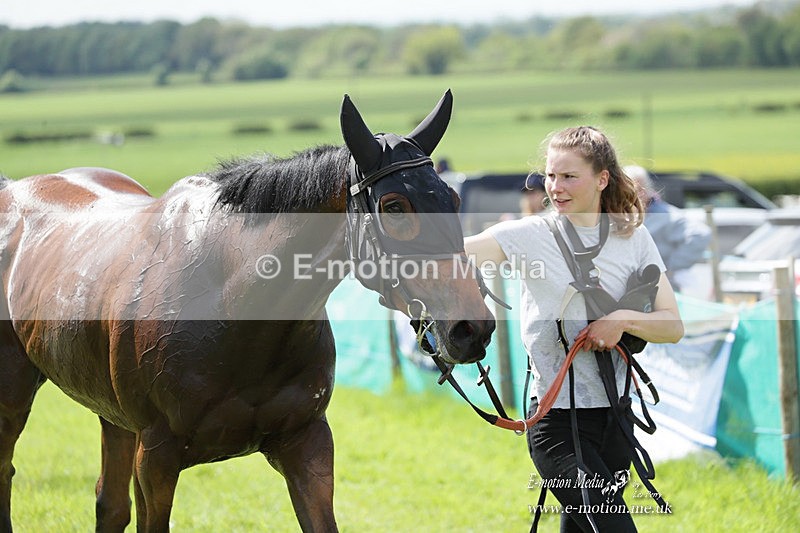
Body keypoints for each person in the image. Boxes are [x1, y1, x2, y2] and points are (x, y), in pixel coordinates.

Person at [465, 126, 684, 532]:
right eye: (550, 175)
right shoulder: (528, 236)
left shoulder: (634, 239)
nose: (555, 187)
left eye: (568, 176)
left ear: (602, 178)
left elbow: (672, 325)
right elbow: (452, 255)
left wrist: (622, 321)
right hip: (556, 424)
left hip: (615, 420)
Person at [624, 165, 711, 292]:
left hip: (661, 290)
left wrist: (671, 267)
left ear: (645, 189)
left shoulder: (667, 216)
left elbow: (701, 234)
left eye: (637, 189)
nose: (633, 195)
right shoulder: (624, 216)